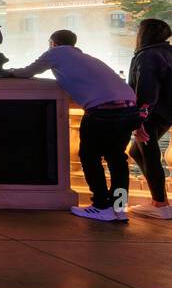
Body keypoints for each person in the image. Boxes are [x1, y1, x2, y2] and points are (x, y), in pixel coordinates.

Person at [8, 29, 139, 222]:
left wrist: (9, 72)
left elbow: (27, 72)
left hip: (103, 110)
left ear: (53, 43)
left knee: (89, 156)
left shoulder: (57, 53)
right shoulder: (85, 57)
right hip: (129, 107)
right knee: (117, 160)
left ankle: (101, 205)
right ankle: (119, 208)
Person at [128, 18, 172, 219]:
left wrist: (139, 119)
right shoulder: (167, 52)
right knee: (138, 152)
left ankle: (161, 205)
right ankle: (160, 200)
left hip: (152, 114)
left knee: (149, 154)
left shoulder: (147, 55)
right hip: (165, 112)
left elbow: (146, 90)